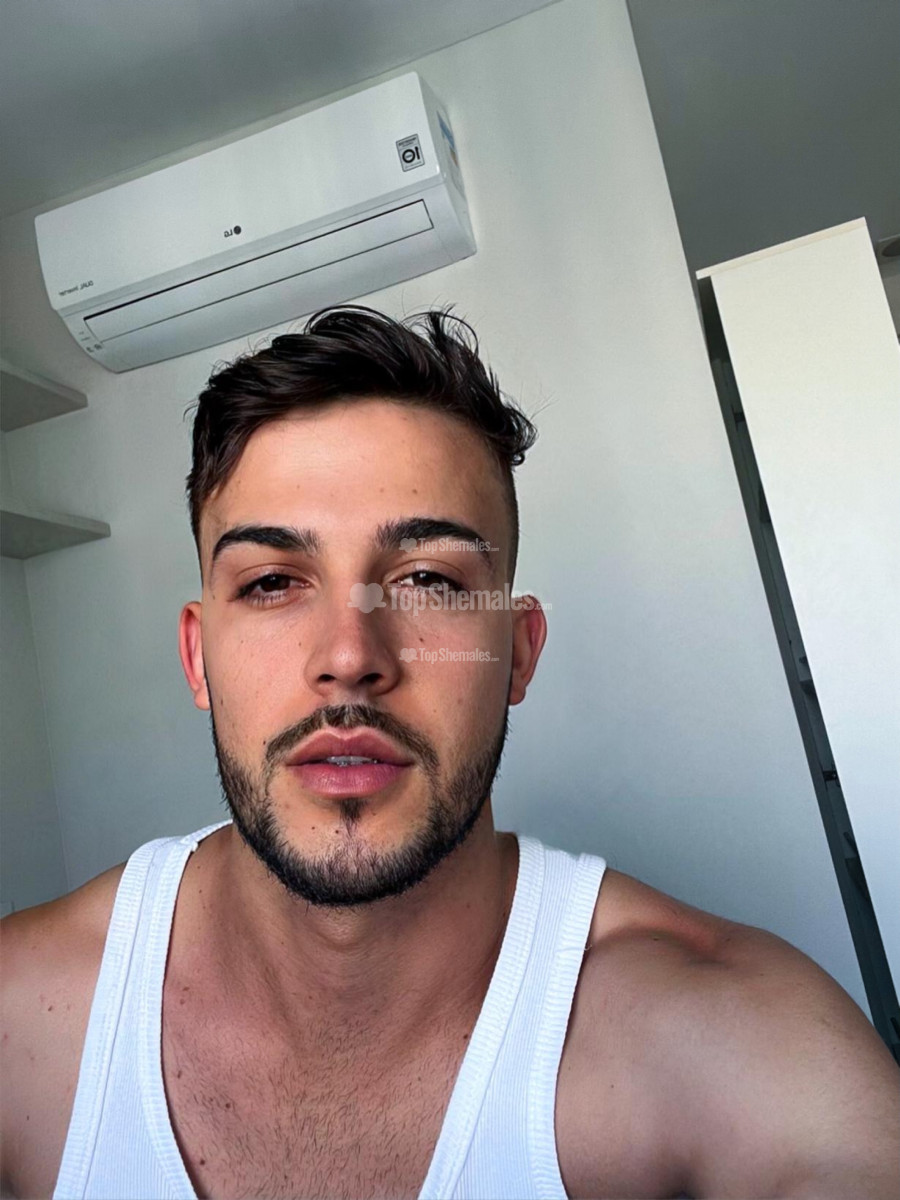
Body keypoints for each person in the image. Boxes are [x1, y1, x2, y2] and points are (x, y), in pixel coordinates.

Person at [1, 306, 897, 1200]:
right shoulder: (24, 1011)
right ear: (199, 658)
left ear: (518, 652)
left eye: (428, 579)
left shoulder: (729, 1037)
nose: (349, 657)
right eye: (272, 583)